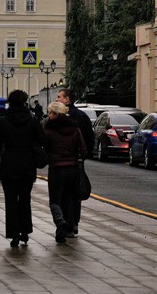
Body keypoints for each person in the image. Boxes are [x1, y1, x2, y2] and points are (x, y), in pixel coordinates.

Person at [0, 89, 46, 248]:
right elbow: (41, 140)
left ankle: (13, 234)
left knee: (11, 200)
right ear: (25, 102)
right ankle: (25, 232)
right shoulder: (33, 120)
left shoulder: (3, 121)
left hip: (9, 164)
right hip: (27, 164)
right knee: (25, 199)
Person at [44, 101, 86, 243]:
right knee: (68, 200)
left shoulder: (49, 130)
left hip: (56, 168)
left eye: (50, 112)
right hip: (72, 169)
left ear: (56, 114)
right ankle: (65, 231)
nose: (48, 115)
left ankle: (60, 221)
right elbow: (84, 150)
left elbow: (44, 147)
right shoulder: (75, 129)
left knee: (55, 201)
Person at [56, 88, 94, 237]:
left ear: (67, 100)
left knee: (62, 194)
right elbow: (89, 140)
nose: (57, 99)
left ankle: (66, 223)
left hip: (62, 162)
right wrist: (83, 156)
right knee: (75, 193)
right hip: (77, 161)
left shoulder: (60, 117)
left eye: (59, 97)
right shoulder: (82, 116)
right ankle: (74, 223)